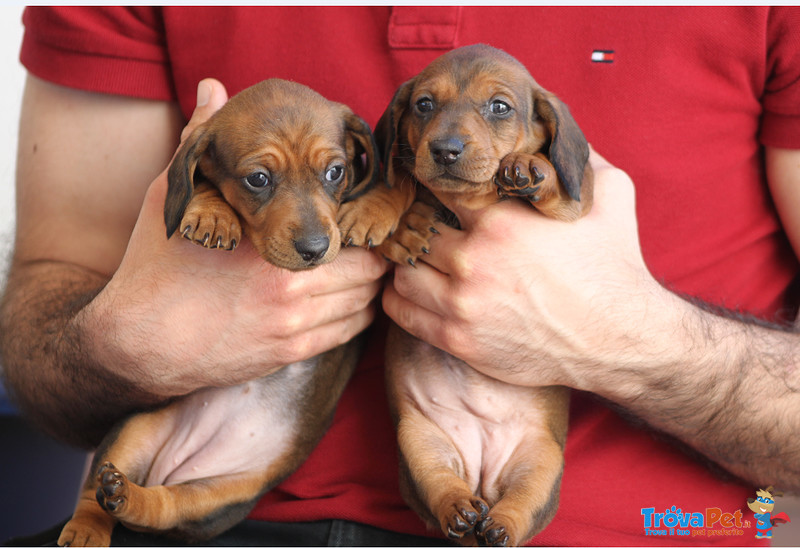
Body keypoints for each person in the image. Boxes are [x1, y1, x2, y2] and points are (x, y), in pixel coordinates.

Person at [1, 6, 798, 546]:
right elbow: (43, 325)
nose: (452, 137)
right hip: (216, 510)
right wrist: (125, 344)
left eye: (494, 115)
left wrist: (626, 337)